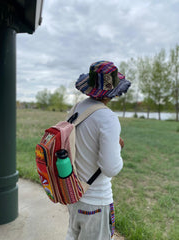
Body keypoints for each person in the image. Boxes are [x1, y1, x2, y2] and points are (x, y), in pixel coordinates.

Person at [66, 60, 131, 240]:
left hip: (74, 192)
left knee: (72, 234)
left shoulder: (77, 108)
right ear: (113, 91)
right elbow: (111, 168)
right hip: (95, 200)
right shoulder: (107, 118)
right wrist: (117, 148)